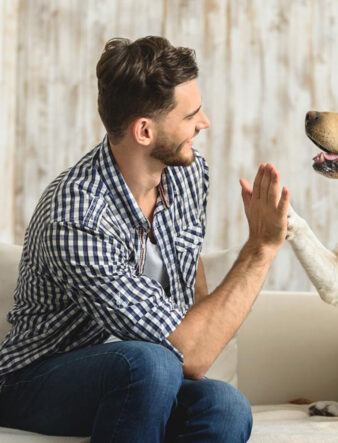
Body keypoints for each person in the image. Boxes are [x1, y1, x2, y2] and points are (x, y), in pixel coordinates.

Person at [0, 36, 289, 442]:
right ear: (144, 131)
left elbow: (191, 276)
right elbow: (188, 354)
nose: (204, 123)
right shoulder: (77, 214)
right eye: (191, 115)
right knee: (151, 363)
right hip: (37, 379)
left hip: (144, 377)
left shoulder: (188, 174)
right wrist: (261, 247)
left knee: (225, 406)